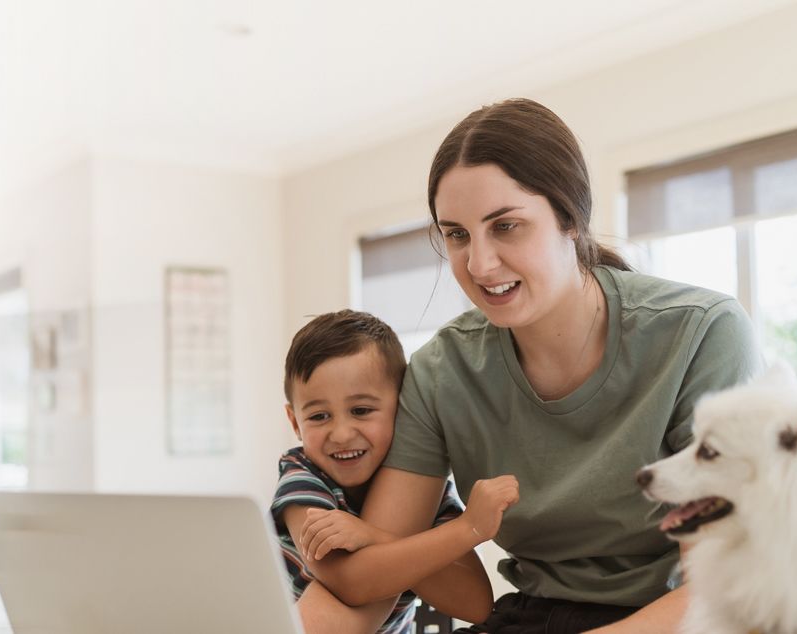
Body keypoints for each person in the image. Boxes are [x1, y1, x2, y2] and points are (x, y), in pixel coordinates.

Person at [303, 99, 760, 634]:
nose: (478, 264)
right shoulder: (441, 372)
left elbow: (718, 588)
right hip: (532, 618)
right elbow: (370, 573)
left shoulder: (701, 332)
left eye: (506, 226)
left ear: (571, 218)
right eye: (456, 234)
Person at [271, 309, 517, 633]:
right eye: (319, 416)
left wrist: (372, 535)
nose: (342, 433)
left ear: (404, 410)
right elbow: (347, 581)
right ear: (294, 423)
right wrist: (469, 528)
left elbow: (475, 604)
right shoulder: (302, 476)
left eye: (361, 410)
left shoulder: (427, 491)